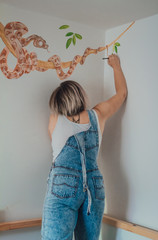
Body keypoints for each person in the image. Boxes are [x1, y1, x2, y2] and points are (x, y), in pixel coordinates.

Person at [41, 54, 128, 240]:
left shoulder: (55, 119)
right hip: (95, 186)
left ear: (58, 102)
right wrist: (116, 66)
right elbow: (121, 94)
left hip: (62, 186)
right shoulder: (98, 115)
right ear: (80, 95)